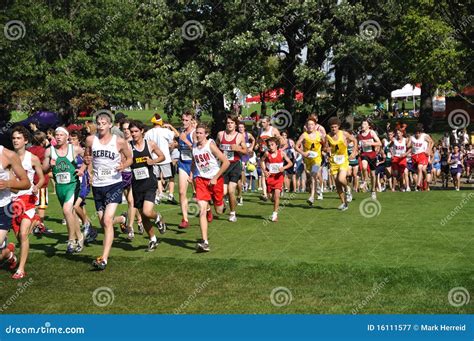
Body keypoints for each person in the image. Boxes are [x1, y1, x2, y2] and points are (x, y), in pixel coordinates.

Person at [79, 112, 133, 270]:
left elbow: (130, 158)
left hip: (114, 184)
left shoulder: (119, 141)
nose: (101, 125)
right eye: (98, 123)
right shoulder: (91, 139)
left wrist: (123, 166)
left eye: (104, 122)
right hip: (97, 185)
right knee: (104, 222)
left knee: (107, 221)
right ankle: (122, 220)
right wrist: (86, 167)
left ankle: (103, 258)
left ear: (110, 125)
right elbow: (87, 157)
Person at [43, 127, 85, 253]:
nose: (58, 137)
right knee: (70, 213)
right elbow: (44, 169)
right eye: (57, 135)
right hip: (60, 187)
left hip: (73, 185)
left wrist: (83, 169)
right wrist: (50, 164)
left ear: (67, 137)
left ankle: (71, 240)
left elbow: (89, 158)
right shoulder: (49, 151)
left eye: (61, 135)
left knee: (67, 210)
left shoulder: (75, 149)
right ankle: (80, 237)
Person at [10, 126, 44, 279]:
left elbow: (42, 177)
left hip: (28, 199)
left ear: (25, 140)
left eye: (18, 138)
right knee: (19, 237)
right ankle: (36, 221)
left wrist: (36, 186)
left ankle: (21, 269)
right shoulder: (7, 157)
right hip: (11, 202)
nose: (15, 140)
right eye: (14, 138)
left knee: (24, 235)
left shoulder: (33, 158)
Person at [129, 120, 167, 251]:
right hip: (136, 185)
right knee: (144, 216)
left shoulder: (150, 144)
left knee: (147, 211)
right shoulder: (128, 147)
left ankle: (158, 217)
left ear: (142, 131)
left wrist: (153, 161)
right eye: (131, 132)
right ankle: (153, 239)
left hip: (150, 183)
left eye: (136, 131)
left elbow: (162, 156)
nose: (133, 134)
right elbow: (124, 160)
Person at [192, 123, 229, 252]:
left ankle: (221, 203)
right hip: (202, 181)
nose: (198, 135)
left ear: (206, 134)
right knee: (201, 210)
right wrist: (192, 175)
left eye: (201, 133)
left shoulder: (210, 145)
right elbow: (194, 162)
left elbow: (226, 162)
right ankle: (205, 242)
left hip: (216, 180)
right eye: (197, 132)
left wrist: (215, 177)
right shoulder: (194, 148)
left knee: (219, 210)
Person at [0, 145, 31, 277]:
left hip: (3, 208)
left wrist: (7, 184)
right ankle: (8, 253)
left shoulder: (8, 155)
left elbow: (26, 183)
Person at [216, 115, 247, 222]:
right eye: (228, 123)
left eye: (232, 123)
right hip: (224, 166)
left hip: (235, 165)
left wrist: (237, 148)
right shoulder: (220, 134)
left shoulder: (239, 136)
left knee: (230, 190)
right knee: (222, 192)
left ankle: (232, 213)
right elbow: (216, 147)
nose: (229, 125)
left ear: (235, 124)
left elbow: (245, 151)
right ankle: (224, 204)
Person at [69, 130, 97, 243]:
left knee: (75, 207)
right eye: (70, 139)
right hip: (73, 185)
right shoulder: (67, 152)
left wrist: (90, 174)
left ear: (79, 140)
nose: (71, 141)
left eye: (74, 139)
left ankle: (86, 225)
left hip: (83, 183)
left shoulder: (82, 151)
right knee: (78, 210)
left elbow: (88, 161)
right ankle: (89, 230)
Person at [144, 113, 179, 204]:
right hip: (165, 158)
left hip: (154, 159)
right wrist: (170, 126)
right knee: (171, 177)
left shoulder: (148, 132)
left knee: (157, 178)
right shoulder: (165, 131)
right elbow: (177, 134)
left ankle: (157, 196)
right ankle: (170, 195)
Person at [325, 117, 358, 211]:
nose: (333, 129)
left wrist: (353, 152)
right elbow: (325, 148)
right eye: (332, 127)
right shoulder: (328, 136)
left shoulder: (343, 134)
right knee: (337, 184)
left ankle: (348, 188)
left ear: (338, 126)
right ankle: (344, 203)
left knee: (341, 179)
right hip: (333, 161)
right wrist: (326, 150)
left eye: (335, 127)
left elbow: (355, 140)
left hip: (343, 159)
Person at [260, 137, 293, 222]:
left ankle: (274, 215)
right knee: (272, 198)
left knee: (277, 195)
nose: (270, 147)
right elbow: (261, 161)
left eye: (272, 145)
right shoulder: (267, 153)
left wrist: (284, 167)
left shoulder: (281, 153)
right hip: (270, 177)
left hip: (279, 177)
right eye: (269, 145)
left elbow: (290, 163)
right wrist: (264, 171)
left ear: (277, 145)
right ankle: (272, 198)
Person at [296, 117, 325, 205]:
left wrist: (324, 149)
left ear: (315, 126)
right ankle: (318, 188)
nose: (310, 126)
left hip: (317, 159)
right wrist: (303, 153)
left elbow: (325, 144)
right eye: (309, 124)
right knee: (310, 175)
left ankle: (312, 197)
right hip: (308, 159)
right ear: (306, 126)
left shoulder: (319, 135)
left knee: (313, 175)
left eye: (312, 124)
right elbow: (296, 146)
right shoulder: (304, 135)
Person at [255, 116, 284, 200]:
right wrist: (257, 145)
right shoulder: (260, 130)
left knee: (274, 173)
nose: (262, 124)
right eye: (261, 122)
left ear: (268, 122)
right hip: (263, 154)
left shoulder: (273, 130)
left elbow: (281, 141)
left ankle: (279, 188)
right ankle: (264, 194)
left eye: (264, 122)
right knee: (264, 173)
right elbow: (258, 140)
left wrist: (277, 149)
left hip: (273, 155)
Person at [27, 131, 51, 234]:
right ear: (43, 141)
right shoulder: (43, 151)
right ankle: (39, 227)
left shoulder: (28, 150)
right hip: (41, 182)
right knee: (41, 206)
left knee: (32, 205)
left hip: (30, 181)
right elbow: (45, 168)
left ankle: (33, 225)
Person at [177, 111, 196, 229]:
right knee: (181, 192)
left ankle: (208, 209)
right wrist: (175, 145)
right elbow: (181, 147)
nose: (184, 122)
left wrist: (185, 140)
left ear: (191, 120)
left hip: (194, 165)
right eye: (183, 120)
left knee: (198, 194)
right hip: (183, 164)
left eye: (186, 120)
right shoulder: (181, 133)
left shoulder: (194, 133)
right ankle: (185, 219)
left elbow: (197, 149)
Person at [357, 120, 381, 199]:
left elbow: (379, 143)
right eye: (362, 123)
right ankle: (365, 181)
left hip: (372, 155)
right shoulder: (359, 134)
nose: (362, 125)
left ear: (368, 126)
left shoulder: (372, 132)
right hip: (364, 154)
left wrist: (370, 143)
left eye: (365, 124)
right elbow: (357, 144)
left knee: (373, 175)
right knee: (364, 167)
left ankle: (373, 190)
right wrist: (358, 147)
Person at [410, 126, 434, 191]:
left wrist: (428, 149)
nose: (417, 134)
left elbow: (431, 142)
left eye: (419, 133)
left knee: (422, 168)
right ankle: (420, 183)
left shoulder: (424, 136)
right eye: (416, 133)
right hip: (415, 156)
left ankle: (422, 182)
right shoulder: (412, 137)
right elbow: (409, 145)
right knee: (419, 170)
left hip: (424, 155)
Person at [237, 122, 255, 203]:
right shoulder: (236, 135)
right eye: (239, 127)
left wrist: (251, 147)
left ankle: (244, 184)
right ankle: (244, 183)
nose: (240, 128)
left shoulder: (248, 135)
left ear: (244, 128)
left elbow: (254, 140)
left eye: (242, 127)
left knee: (242, 169)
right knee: (240, 171)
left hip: (245, 155)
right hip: (238, 155)